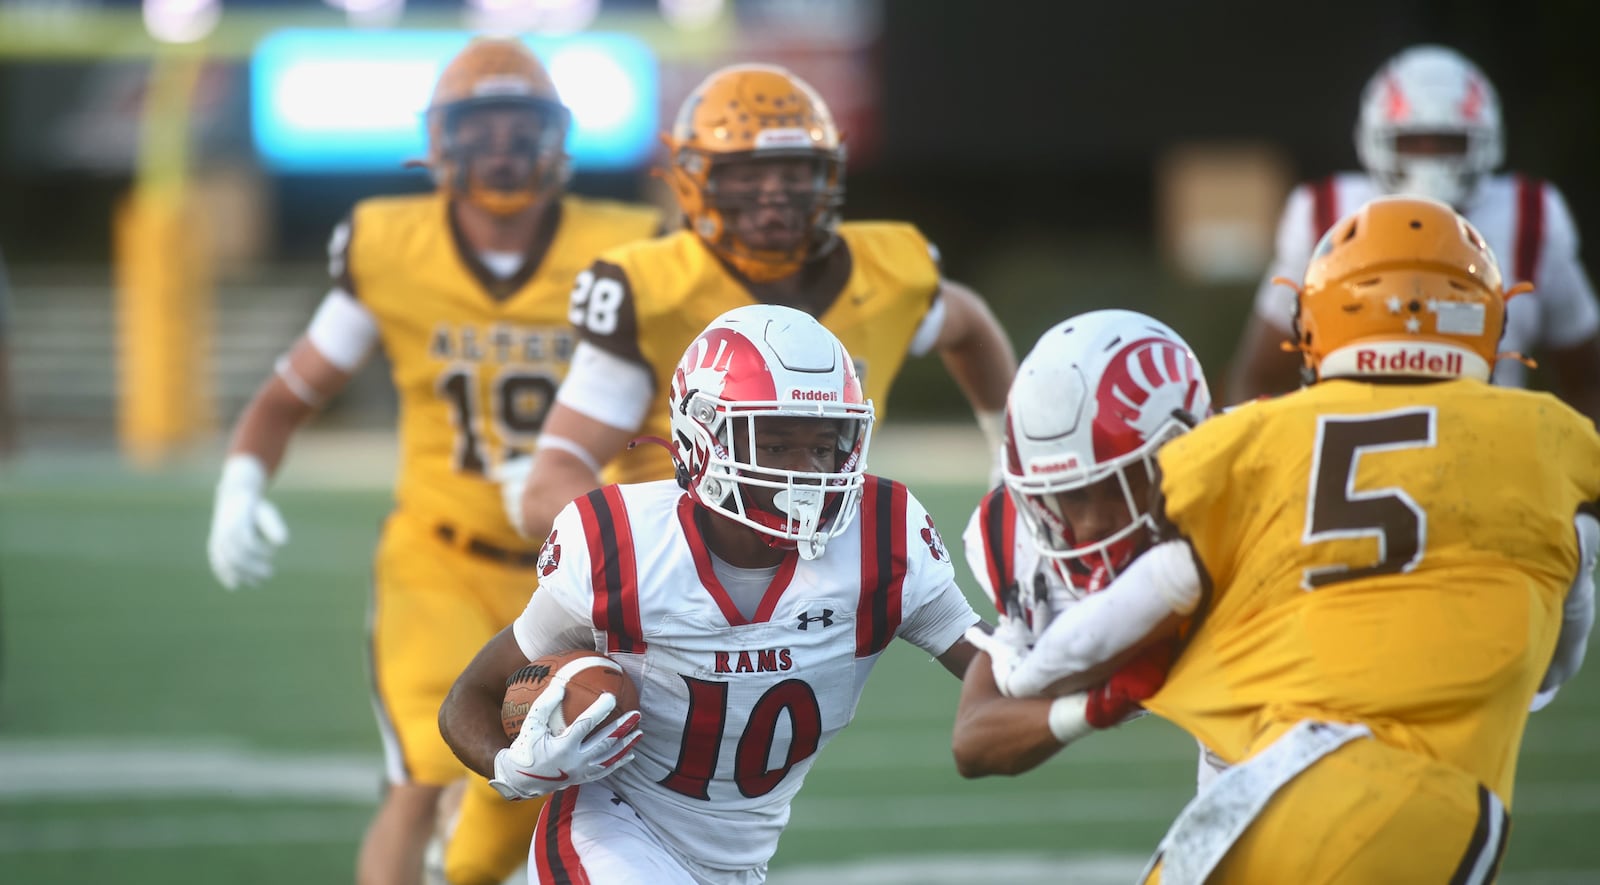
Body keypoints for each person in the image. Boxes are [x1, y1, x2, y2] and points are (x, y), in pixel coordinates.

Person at [980, 196, 1600, 882]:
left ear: (1315, 321)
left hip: (1256, 803)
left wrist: (1029, 671)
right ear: (1490, 319)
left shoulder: (1248, 441)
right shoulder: (1552, 439)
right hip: (1419, 800)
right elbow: (1559, 660)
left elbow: (1141, 594)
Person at [203, 37, 660, 885]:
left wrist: (605, 487)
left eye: (519, 127)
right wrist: (242, 478)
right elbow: (291, 392)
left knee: (594, 784)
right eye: (478, 128)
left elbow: (674, 402)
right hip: (439, 559)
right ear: (438, 142)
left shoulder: (629, 249)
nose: (500, 148)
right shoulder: (390, 243)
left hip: (581, 573)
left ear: (556, 140)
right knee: (420, 776)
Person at [441, 304, 982, 884]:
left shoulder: (881, 536)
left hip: (739, 863)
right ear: (702, 439)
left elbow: (992, 667)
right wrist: (512, 767)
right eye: (775, 446)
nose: (806, 473)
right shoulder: (623, 542)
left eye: (823, 446)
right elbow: (468, 697)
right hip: (613, 833)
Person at [506, 62, 1015, 544]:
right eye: (746, 176)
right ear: (692, 178)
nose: (774, 195)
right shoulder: (653, 289)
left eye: (794, 174)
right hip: (683, 556)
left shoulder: (885, 272)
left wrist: (1009, 457)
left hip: (818, 545)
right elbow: (549, 485)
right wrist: (649, 549)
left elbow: (969, 324)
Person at [1227, 44, 1600, 425]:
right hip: (1352, 465)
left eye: (1448, 142)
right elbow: (1261, 376)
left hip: (1488, 458)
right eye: (1411, 141)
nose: (1430, 158)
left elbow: (1587, 380)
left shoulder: (1532, 216)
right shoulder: (1320, 212)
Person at [950, 309, 1220, 783]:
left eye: (1119, 488)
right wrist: (1094, 707)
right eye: (1071, 495)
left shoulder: (1255, 493)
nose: (1093, 525)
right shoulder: (1020, 543)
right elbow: (973, 741)